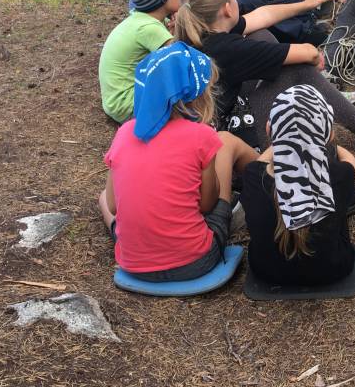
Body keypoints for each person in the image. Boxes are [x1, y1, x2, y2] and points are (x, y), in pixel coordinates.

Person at [174, 0, 355, 157]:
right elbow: (305, 53)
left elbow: (262, 16)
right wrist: (313, 56)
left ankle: (327, 96)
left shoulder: (200, 34)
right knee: (297, 68)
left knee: (261, 35)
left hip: (215, 124)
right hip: (229, 144)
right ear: (228, 9)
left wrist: (305, 5)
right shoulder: (229, 50)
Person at [98, 42, 257, 282]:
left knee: (103, 197)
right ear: (199, 95)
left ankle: (139, 239)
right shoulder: (201, 136)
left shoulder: (124, 133)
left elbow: (112, 206)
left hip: (133, 263)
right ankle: (267, 174)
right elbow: (207, 205)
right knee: (226, 142)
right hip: (196, 261)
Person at [241, 85, 355, 286]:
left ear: (269, 129)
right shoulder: (340, 175)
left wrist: (283, 142)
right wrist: (317, 142)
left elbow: (261, 164)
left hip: (265, 271)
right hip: (333, 269)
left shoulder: (253, 175)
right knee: (349, 194)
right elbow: (352, 163)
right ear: (329, 133)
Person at [98, 0, 179, 123]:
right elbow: (182, 59)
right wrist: (185, 26)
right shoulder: (149, 28)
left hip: (116, 101)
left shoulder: (141, 19)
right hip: (127, 104)